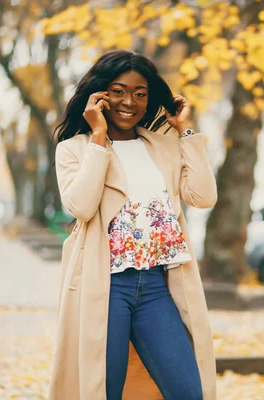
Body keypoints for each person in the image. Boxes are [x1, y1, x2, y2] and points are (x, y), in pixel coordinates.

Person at [48, 50, 218, 400]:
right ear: (100, 96)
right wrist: (98, 138)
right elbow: (80, 206)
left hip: (156, 286)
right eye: (118, 90)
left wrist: (185, 129)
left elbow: (203, 196)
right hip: (105, 286)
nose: (129, 101)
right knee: (102, 391)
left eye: (140, 93)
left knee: (188, 391)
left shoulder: (164, 147)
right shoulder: (74, 150)